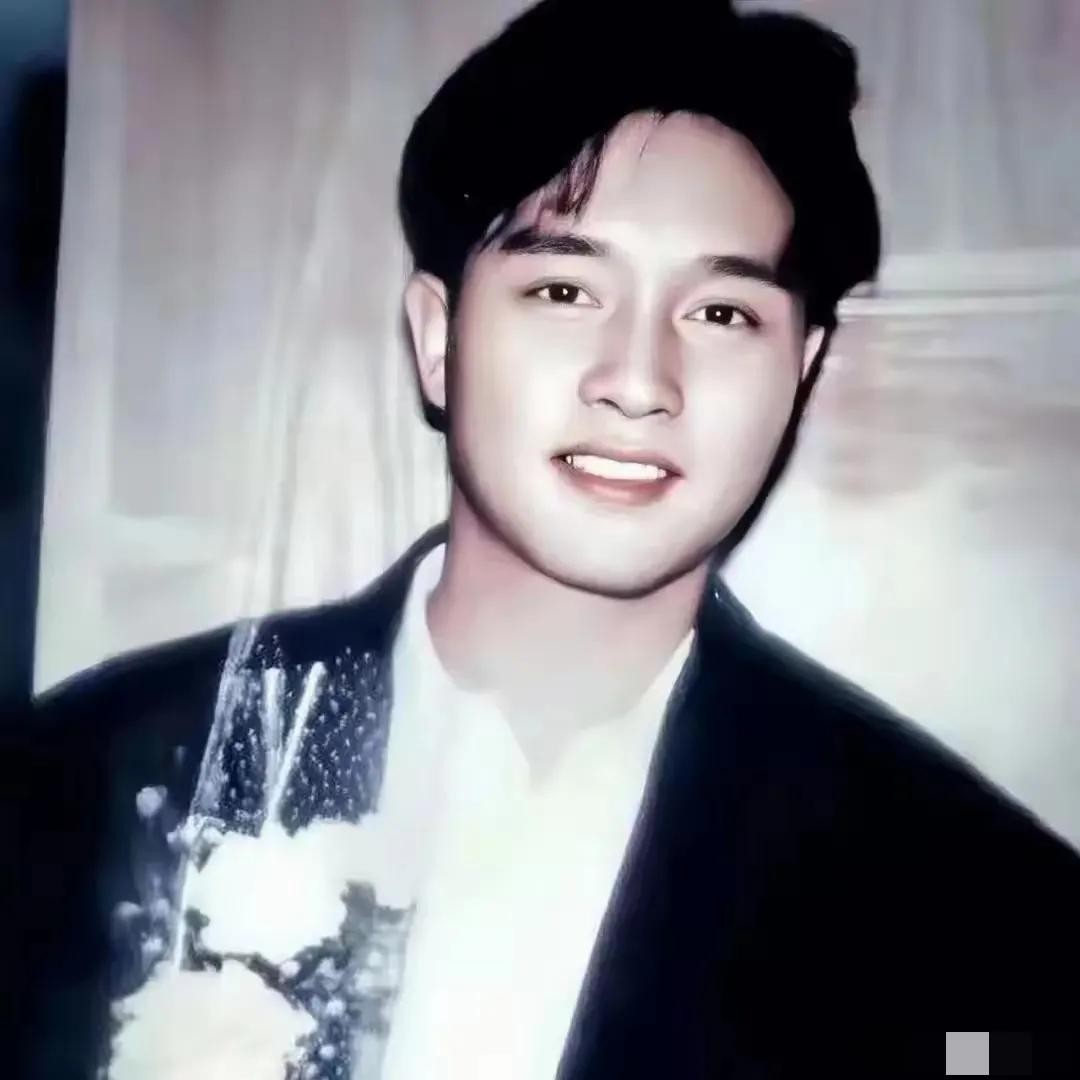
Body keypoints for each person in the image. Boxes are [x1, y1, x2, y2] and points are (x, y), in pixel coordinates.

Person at [4, 1, 1080, 1077]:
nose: (639, 382)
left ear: (800, 370)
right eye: (564, 290)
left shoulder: (976, 901)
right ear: (439, 339)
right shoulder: (87, 782)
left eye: (721, 314)